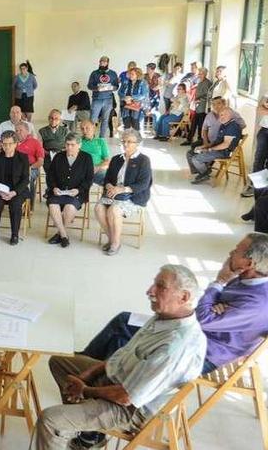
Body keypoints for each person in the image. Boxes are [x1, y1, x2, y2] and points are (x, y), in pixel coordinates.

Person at [36, 265, 206, 450]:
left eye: (160, 286)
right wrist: (85, 377)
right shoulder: (166, 317)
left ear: (184, 297)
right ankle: (87, 432)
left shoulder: (174, 347)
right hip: (121, 381)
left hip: (130, 410)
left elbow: (127, 397)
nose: (149, 291)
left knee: (50, 420)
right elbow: (123, 356)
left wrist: (84, 390)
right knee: (59, 362)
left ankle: (79, 429)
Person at [83, 234, 268, 378]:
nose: (230, 253)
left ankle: (85, 370)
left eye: (236, 251)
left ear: (249, 264)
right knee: (124, 326)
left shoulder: (258, 303)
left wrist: (220, 281)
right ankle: (85, 368)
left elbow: (201, 318)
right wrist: (215, 304)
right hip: (189, 329)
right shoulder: (247, 279)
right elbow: (207, 311)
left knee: (125, 339)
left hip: (202, 351)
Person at [94, 129, 152, 256]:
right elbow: (108, 178)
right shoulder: (116, 159)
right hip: (114, 193)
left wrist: (122, 189)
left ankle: (115, 243)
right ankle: (113, 238)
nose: (125, 144)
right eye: (123, 141)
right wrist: (109, 186)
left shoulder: (144, 160)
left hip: (133, 196)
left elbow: (143, 184)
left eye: (129, 142)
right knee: (98, 208)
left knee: (113, 210)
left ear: (137, 143)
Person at [45, 134, 94, 248]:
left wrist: (78, 190)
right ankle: (63, 235)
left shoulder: (86, 158)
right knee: (53, 205)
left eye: (73, 145)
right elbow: (50, 176)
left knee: (69, 208)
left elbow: (89, 179)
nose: (69, 148)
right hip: (58, 191)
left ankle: (59, 234)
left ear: (79, 145)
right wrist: (54, 187)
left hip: (77, 193)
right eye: (67, 145)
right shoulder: (59, 156)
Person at [0, 131, 30, 246]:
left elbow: (25, 179)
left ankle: (14, 234)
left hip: (17, 190)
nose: (7, 147)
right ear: (1, 144)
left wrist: (14, 192)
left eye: (10, 144)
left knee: (16, 205)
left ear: (16, 144)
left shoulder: (23, 158)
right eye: (4, 144)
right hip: (0, 190)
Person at [187, 108, 243, 185]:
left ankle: (204, 173)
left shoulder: (232, 127)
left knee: (196, 158)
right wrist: (204, 146)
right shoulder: (224, 125)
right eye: (220, 115)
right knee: (190, 153)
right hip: (217, 149)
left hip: (223, 152)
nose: (221, 117)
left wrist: (209, 149)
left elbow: (225, 145)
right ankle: (203, 172)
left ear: (231, 115)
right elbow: (216, 142)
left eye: (223, 115)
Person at [87, 56, 120, 138]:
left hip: (108, 100)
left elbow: (116, 86)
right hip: (97, 99)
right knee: (92, 119)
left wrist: (112, 88)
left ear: (108, 63)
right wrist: (96, 88)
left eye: (104, 61)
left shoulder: (113, 73)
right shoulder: (94, 73)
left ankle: (101, 138)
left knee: (105, 120)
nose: (102, 63)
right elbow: (89, 86)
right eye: (101, 61)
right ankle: (91, 137)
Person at [243, 93, 268, 198]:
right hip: (265, 131)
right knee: (258, 160)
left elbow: (264, 108)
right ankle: (254, 187)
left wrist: (266, 107)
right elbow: (259, 110)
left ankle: (265, 191)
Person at [15, 122, 45, 207]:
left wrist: (29, 168)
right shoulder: (13, 142)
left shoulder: (35, 142)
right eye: (16, 130)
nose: (18, 132)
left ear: (27, 131)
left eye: (21, 130)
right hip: (15, 168)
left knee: (28, 178)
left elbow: (40, 162)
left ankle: (29, 205)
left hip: (31, 168)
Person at [183, 67, 212, 146]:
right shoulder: (200, 81)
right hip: (197, 107)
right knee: (193, 123)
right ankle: (189, 139)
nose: (199, 75)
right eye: (199, 73)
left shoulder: (207, 83)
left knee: (201, 125)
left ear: (205, 74)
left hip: (203, 107)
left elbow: (208, 95)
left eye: (201, 73)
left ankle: (200, 141)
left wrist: (199, 99)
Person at [79, 119, 110, 186]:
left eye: (87, 128)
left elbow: (107, 160)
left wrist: (97, 167)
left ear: (93, 127)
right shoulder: (78, 141)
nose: (84, 131)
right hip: (82, 170)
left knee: (107, 179)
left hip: (97, 170)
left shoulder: (101, 141)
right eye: (82, 129)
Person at [119, 67, 148, 131]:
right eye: (130, 74)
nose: (130, 75)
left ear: (137, 75)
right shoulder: (126, 81)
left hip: (137, 105)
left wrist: (132, 97)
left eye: (132, 74)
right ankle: (127, 138)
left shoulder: (143, 82)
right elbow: (120, 92)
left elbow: (144, 95)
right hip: (126, 104)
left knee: (135, 122)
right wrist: (124, 97)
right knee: (126, 122)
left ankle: (136, 139)